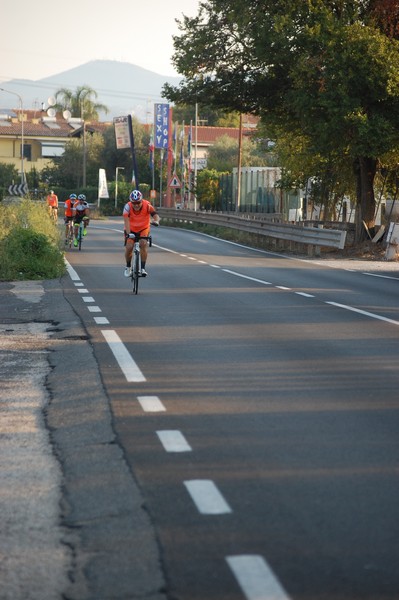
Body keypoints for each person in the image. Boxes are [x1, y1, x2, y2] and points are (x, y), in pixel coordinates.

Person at [123, 189, 159, 277]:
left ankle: (142, 268)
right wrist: (128, 234)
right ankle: (128, 267)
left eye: (138, 203)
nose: (136, 205)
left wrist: (156, 221)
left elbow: (155, 214)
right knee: (129, 247)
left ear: (141, 201)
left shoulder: (147, 205)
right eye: (134, 203)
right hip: (130, 229)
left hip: (143, 228)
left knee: (143, 243)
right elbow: (126, 221)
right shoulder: (127, 207)